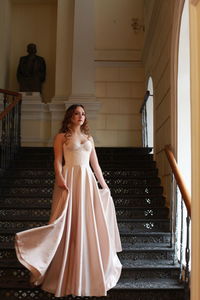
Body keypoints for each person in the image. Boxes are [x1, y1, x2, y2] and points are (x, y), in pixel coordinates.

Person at [15, 104, 122, 298]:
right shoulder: (61, 137)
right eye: (76, 113)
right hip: (69, 179)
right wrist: (59, 177)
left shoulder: (89, 138)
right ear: (70, 116)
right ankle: (58, 269)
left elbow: (95, 164)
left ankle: (87, 273)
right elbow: (58, 160)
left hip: (86, 181)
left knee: (86, 222)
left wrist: (104, 186)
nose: (80, 116)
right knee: (65, 221)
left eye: (83, 114)